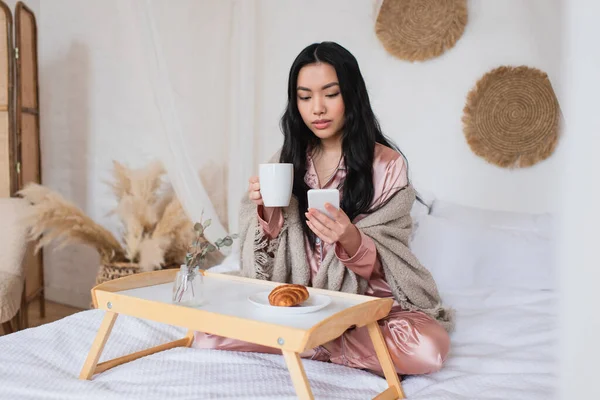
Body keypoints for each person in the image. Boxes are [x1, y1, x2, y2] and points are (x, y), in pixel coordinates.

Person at [194, 41, 453, 376]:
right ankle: (317, 341)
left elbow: (392, 260)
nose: (317, 108)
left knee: (427, 348)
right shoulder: (287, 159)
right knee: (207, 334)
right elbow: (263, 255)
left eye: (330, 94)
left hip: (364, 308)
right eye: (305, 97)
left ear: (351, 95)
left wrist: (350, 238)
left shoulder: (387, 165)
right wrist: (267, 210)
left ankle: (308, 344)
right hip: (300, 300)